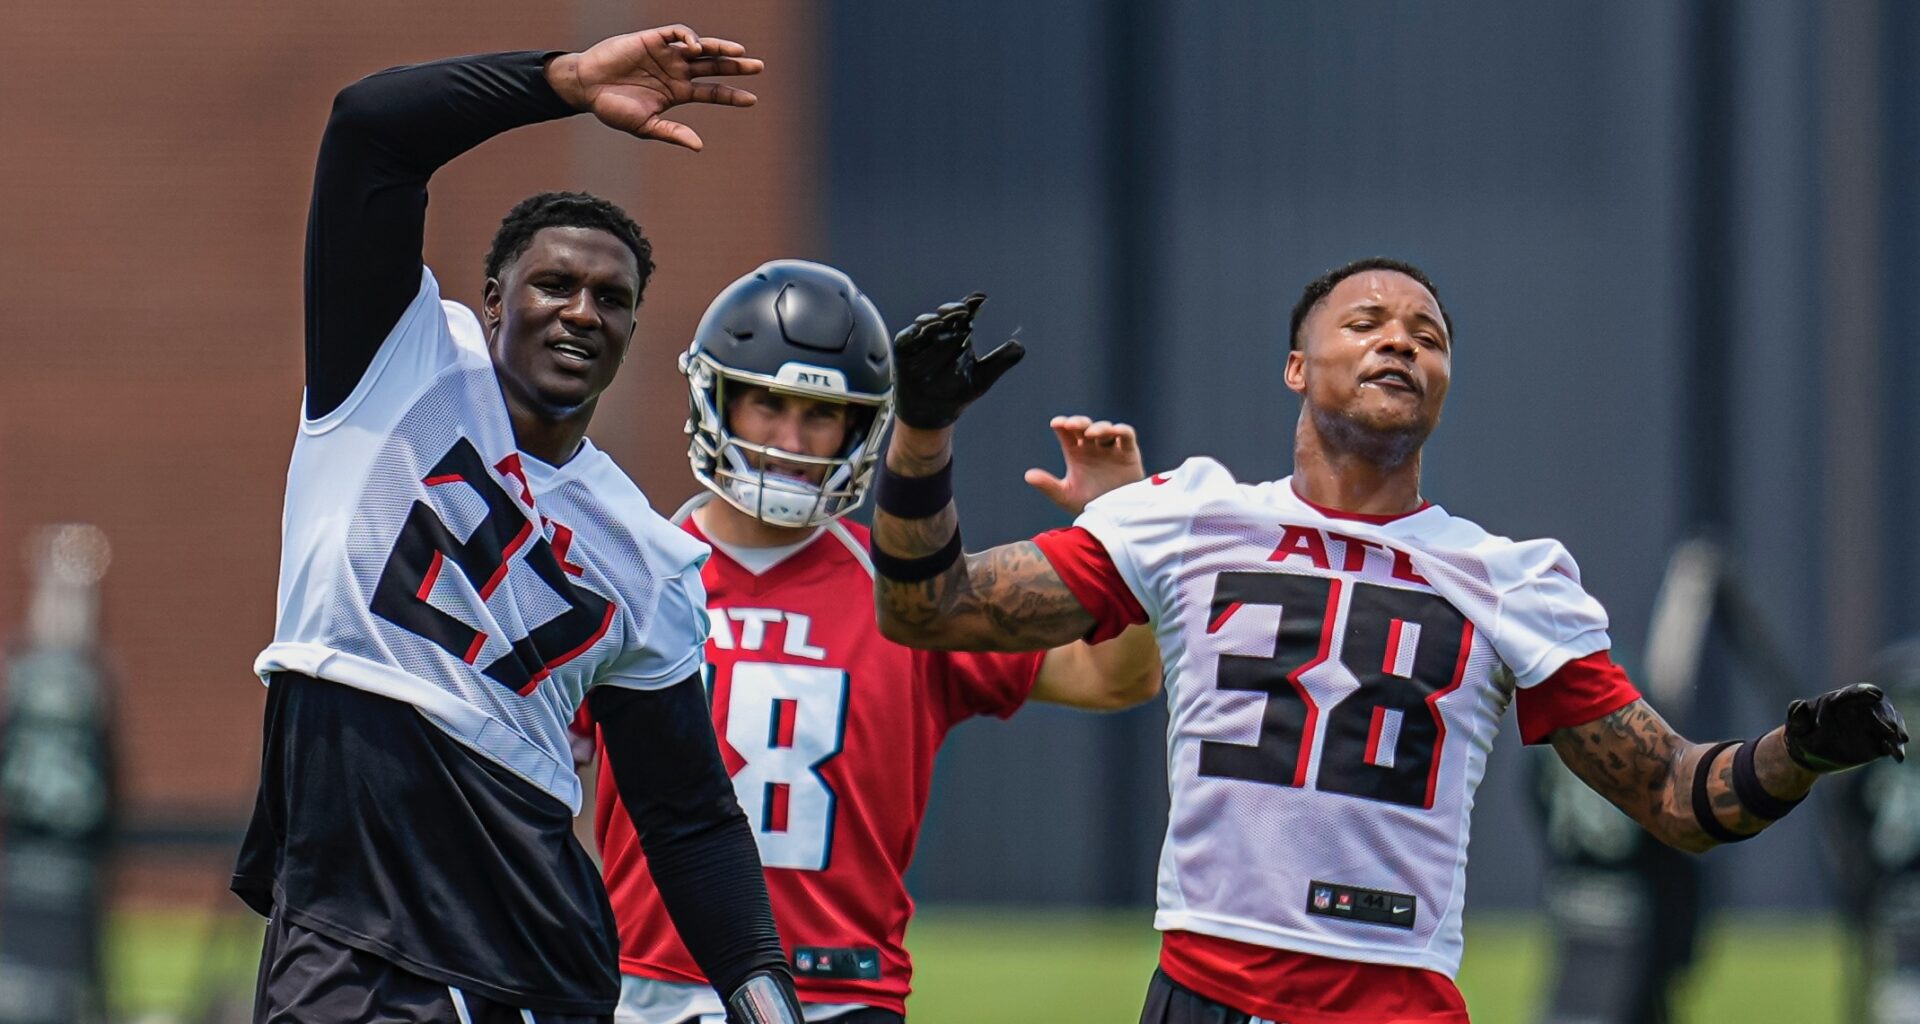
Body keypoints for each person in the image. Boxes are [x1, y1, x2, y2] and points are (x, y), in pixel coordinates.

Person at [866, 265, 1911, 1024]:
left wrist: (1798, 753)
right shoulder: (1185, 516)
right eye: (1365, 321)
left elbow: (1682, 798)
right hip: (1207, 992)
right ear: (1294, 365)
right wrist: (922, 431)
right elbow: (931, 609)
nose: (1400, 341)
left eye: (1428, 332)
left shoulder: (1509, 577)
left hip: (1395, 1001)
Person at [233, 27, 811, 1024]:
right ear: (493, 299)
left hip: (537, 951)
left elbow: (688, 814)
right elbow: (370, 128)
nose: (583, 311)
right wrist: (564, 82)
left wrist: (768, 1007)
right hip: (352, 927)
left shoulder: (649, 553)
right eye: (555, 285)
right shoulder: (396, 360)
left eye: (613, 299)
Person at [572, 260, 1162, 1023]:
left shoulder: (910, 596)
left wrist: (1125, 540)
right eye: (766, 405)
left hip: (842, 994)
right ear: (717, 400)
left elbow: (1114, 679)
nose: (791, 438)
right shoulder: (631, 572)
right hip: (650, 988)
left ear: (862, 427)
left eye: (820, 415)